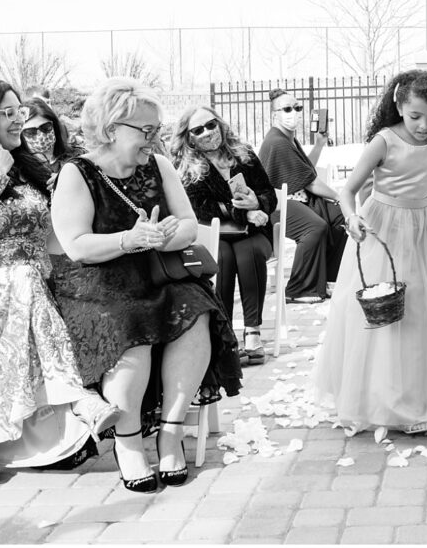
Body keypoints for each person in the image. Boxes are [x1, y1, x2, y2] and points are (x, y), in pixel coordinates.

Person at [51, 78, 241, 493]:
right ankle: (129, 441)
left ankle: (170, 433)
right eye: (146, 130)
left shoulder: (160, 165)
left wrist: (163, 236)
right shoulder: (76, 173)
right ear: (111, 128)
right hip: (96, 285)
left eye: (156, 130)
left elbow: (189, 225)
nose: (153, 139)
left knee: (197, 310)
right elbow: (76, 245)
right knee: (130, 323)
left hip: (155, 273)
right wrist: (129, 239)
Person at [0, 79, 120, 486]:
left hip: (25, 296)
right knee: (23, 280)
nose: (18, 119)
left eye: (18, 110)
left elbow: (54, 238)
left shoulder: (31, 168)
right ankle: (77, 397)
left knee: (18, 304)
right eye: (7, 112)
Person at [314, 70, 427, 433]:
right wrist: (351, 219)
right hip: (379, 227)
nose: (425, 125)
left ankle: (413, 403)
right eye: (415, 116)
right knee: (380, 312)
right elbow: (347, 191)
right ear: (398, 105)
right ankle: (373, 400)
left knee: (418, 311)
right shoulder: (384, 140)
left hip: (422, 228)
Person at [171, 106, 276, 366]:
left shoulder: (245, 155)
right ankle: (225, 336)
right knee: (223, 257)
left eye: (211, 124)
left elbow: (269, 196)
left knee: (248, 251)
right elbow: (198, 207)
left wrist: (256, 202)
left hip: (254, 234)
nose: (207, 132)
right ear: (189, 136)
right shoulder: (187, 166)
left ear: (220, 124)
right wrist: (243, 213)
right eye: (198, 130)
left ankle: (253, 332)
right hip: (215, 236)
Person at [257, 89, 347, 303]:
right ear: (274, 115)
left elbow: (306, 171)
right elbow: (312, 182)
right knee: (315, 227)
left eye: (297, 108)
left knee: (339, 218)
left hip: (296, 200)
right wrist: (340, 197)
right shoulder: (277, 141)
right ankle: (299, 289)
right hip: (277, 205)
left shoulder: (289, 139)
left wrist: (319, 145)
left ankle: (327, 280)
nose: (294, 113)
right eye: (287, 109)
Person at [20, 97, 82, 180]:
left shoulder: (77, 155)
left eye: (45, 127)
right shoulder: (21, 171)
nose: (40, 136)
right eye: (30, 132)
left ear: (54, 126)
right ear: (20, 134)